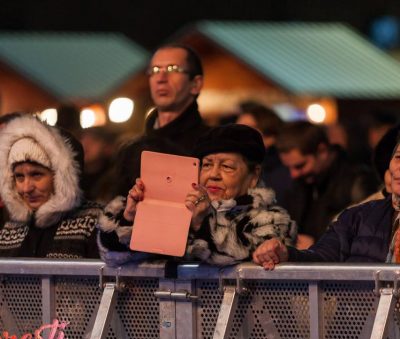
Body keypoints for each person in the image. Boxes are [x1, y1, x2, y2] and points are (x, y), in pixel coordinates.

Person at [98, 124, 297, 266]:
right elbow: (114, 257)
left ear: (254, 175)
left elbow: (238, 253)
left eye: (227, 167)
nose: (213, 175)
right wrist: (131, 219)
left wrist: (201, 223)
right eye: (207, 165)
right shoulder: (178, 209)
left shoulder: (272, 219)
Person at [253, 136, 400, 269]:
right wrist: (286, 254)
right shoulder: (357, 216)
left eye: (300, 165)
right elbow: (321, 257)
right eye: (398, 157)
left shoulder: (355, 181)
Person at [111, 43, 209, 197]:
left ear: (195, 84)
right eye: (155, 70)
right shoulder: (131, 150)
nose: (161, 78)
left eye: (172, 69)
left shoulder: (211, 146)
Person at [0, 114, 102, 258]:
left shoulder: (95, 221)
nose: (26, 188)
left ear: (62, 177)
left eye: (36, 174)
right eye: (19, 177)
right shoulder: (11, 229)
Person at [276, 120, 378, 248]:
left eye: (300, 166)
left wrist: (318, 244)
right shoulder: (302, 183)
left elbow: (366, 235)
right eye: (289, 167)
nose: (293, 174)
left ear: (322, 151)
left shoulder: (357, 180)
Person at [236, 101, 292, 207]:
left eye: (245, 129)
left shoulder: (287, 168)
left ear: (269, 133)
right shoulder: (247, 165)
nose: (237, 135)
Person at [80, 126, 118, 204]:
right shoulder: (71, 176)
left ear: (107, 147)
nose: (86, 144)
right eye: (83, 138)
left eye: (94, 139)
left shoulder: (114, 178)